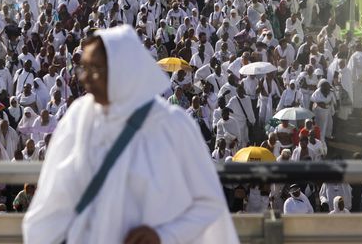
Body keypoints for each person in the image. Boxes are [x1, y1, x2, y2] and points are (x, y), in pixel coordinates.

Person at [23, 26, 238, 243]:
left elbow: (208, 202)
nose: (85, 79)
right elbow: (51, 200)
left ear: (123, 69)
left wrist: (164, 236)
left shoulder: (172, 126)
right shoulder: (79, 118)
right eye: (83, 68)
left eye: (95, 68)